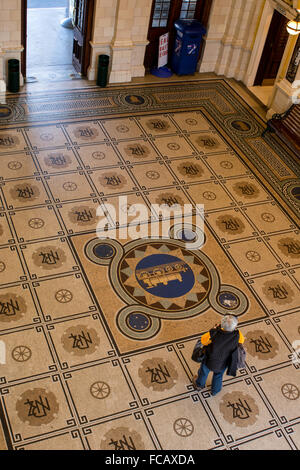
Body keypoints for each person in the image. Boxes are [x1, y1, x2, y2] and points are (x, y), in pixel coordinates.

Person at [192, 315, 244, 396]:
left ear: (221, 324)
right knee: (218, 375)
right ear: (235, 326)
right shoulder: (238, 335)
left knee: (203, 372)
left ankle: (199, 385)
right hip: (224, 362)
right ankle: (215, 391)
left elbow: (203, 340)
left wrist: (213, 329)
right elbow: (241, 342)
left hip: (209, 359)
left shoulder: (214, 333)